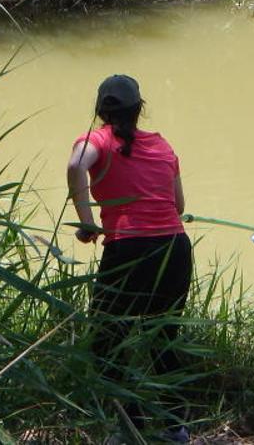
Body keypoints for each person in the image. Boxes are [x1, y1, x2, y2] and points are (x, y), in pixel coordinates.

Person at [66, 74, 192, 442]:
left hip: (128, 249)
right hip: (174, 247)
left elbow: (76, 165)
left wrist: (87, 222)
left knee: (108, 340)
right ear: (140, 110)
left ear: (100, 111)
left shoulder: (99, 140)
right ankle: (174, 427)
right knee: (163, 337)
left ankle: (129, 425)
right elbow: (179, 206)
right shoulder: (163, 146)